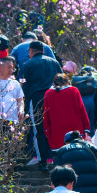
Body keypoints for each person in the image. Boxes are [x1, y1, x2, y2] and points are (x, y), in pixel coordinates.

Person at [21, 40, 62, 170]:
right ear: (43, 50)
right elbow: (61, 81)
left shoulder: (27, 65)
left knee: (37, 129)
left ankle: (41, 159)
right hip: (54, 96)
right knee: (54, 126)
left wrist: (25, 104)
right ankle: (55, 157)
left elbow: (23, 87)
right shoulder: (54, 63)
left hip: (36, 98)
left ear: (31, 51)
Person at [43, 73, 90, 151]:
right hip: (75, 130)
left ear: (54, 83)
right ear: (68, 81)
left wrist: (46, 130)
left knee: (61, 158)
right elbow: (82, 110)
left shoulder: (48, 93)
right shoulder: (74, 90)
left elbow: (46, 115)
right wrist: (86, 128)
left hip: (56, 132)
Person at [72, 65, 97, 134]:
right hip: (93, 100)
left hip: (81, 101)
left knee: (83, 121)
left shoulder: (77, 80)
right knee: (93, 122)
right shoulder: (93, 78)